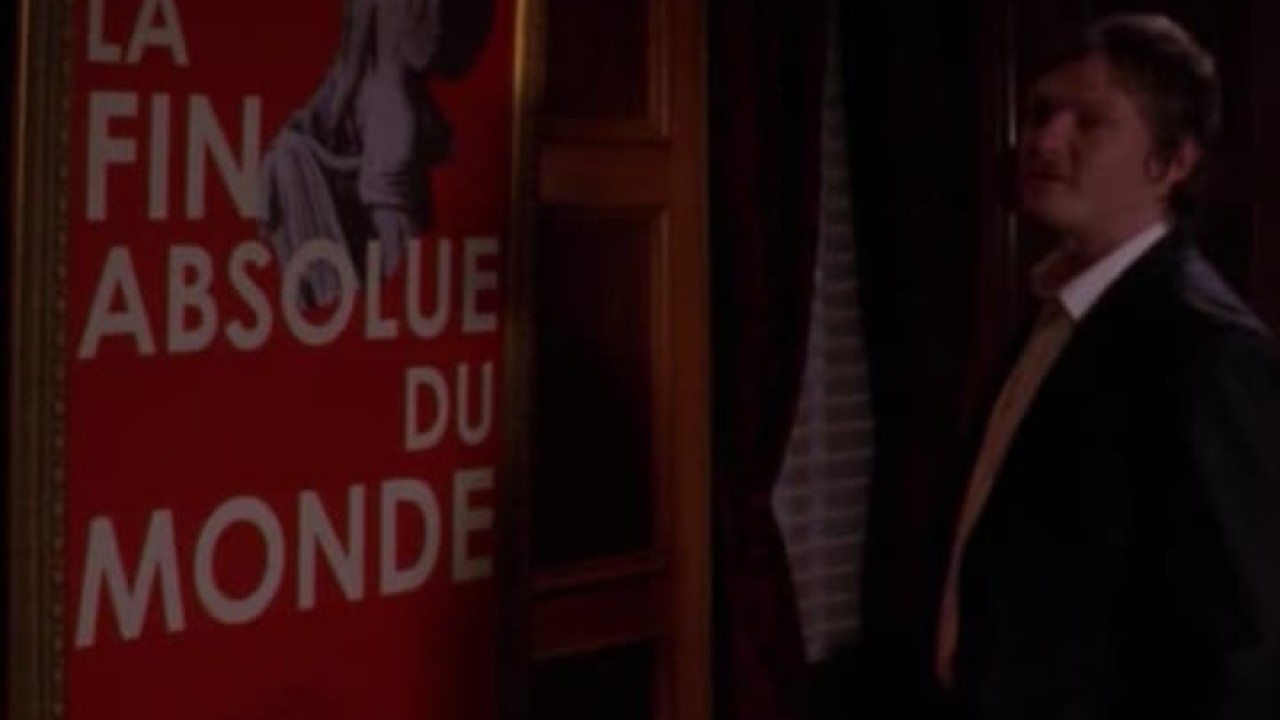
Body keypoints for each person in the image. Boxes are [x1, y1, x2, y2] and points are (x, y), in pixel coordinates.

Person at [935, 14, 1280, 719]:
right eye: (1040, 114)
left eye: (1089, 121)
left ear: (1172, 162)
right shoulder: (1057, 308)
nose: (1043, 140)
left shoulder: (1206, 349)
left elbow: (1242, 646)